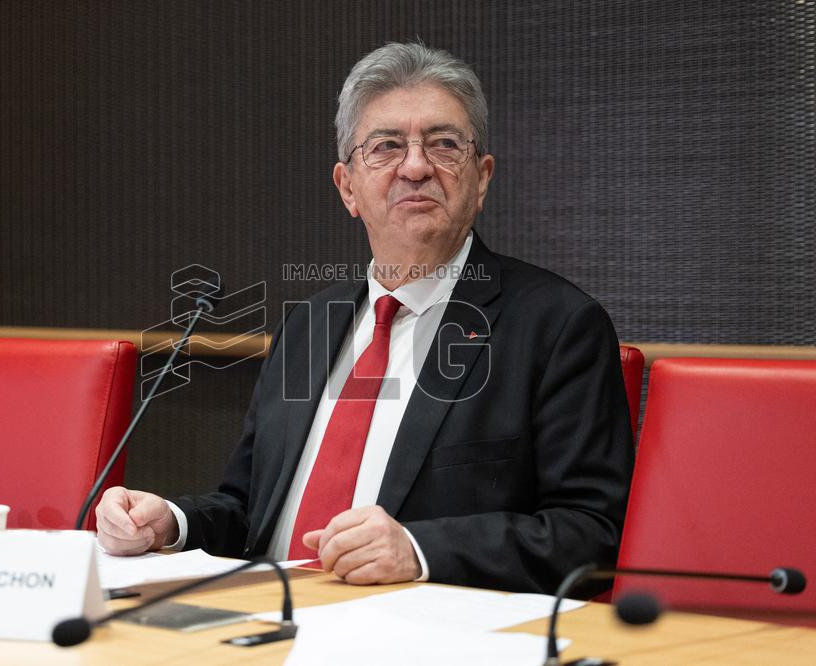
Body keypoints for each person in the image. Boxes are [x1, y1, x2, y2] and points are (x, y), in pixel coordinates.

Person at [95, 42, 634, 594]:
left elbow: (592, 531)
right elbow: (248, 509)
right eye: (386, 147)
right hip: (265, 623)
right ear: (347, 187)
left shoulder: (558, 327)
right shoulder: (308, 324)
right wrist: (171, 523)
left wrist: (422, 551)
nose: (417, 166)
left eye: (445, 145)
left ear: (482, 180)